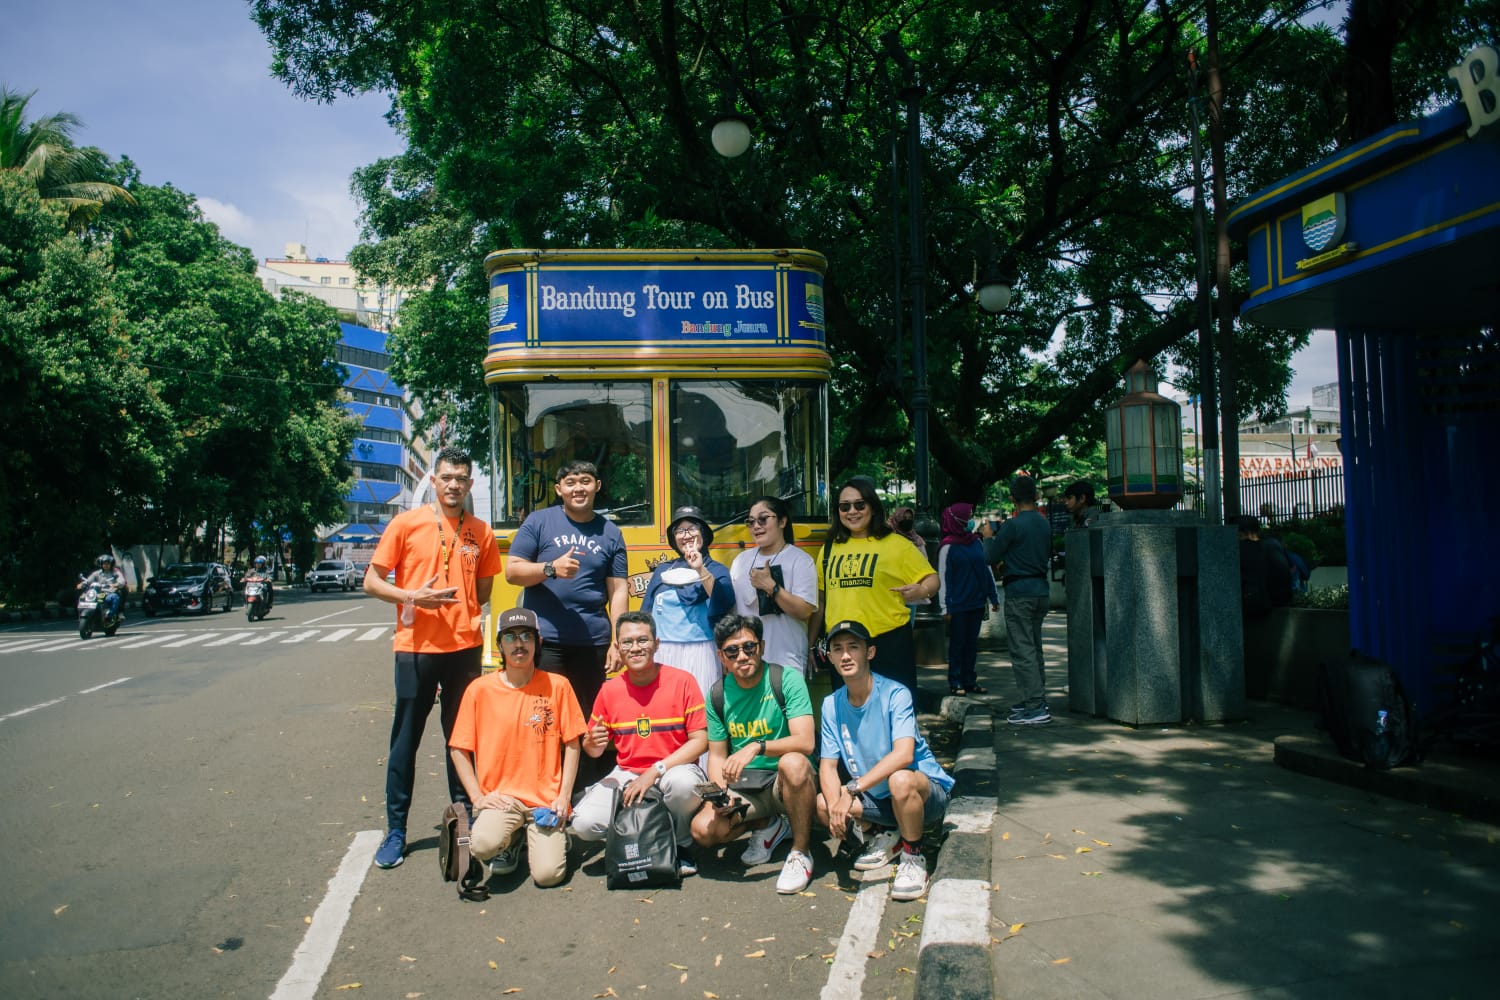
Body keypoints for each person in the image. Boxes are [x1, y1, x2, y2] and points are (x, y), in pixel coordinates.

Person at [363, 446, 502, 870]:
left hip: (463, 649)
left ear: (470, 483)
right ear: (434, 480)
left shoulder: (481, 532)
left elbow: (482, 591)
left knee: (461, 740)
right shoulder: (406, 524)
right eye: (447, 477)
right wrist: (411, 596)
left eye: (461, 478)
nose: (454, 485)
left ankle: (464, 819)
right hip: (415, 648)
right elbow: (372, 581)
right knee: (405, 739)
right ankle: (396, 830)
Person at [815, 620, 954, 902]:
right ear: (829, 657)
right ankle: (886, 832)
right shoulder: (831, 704)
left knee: (899, 779)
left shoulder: (895, 694)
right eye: (838, 649)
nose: (845, 655)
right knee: (822, 802)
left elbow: (904, 755)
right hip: (878, 798)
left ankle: (913, 857)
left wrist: (852, 789)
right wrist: (835, 808)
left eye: (853, 647)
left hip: (923, 793)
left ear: (870, 652)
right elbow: (827, 766)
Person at [448, 608, 586, 887]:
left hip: (544, 802)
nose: (519, 643)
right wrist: (477, 797)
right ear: (500, 645)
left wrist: (563, 797)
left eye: (526, 636)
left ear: (538, 642)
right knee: (482, 844)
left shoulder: (558, 686)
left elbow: (573, 743)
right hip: (502, 800)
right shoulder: (479, 690)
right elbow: (458, 749)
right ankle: (509, 840)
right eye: (510, 637)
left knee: (548, 876)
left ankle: (553, 838)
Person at [569, 611, 709, 875]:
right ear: (618, 647)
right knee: (584, 824)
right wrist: (594, 744)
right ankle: (637, 839)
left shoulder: (682, 681)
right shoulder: (609, 690)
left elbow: (701, 741)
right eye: (627, 642)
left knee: (684, 785)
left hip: (673, 769)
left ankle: (681, 844)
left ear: (656, 644)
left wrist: (655, 771)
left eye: (642, 640)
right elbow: (592, 748)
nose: (635, 648)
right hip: (627, 772)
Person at [688, 615, 818, 893]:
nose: (742, 656)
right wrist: (720, 795)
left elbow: (806, 741)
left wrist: (757, 746)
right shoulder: (718, 694)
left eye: (749, 647)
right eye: (732, 651)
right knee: (703, 830)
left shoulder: (785, 679)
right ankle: (768, 824)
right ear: (721, 657)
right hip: (748, 787)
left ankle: (801, 852)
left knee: (794, 762)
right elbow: (717, 755)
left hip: (784, 784)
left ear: (762, 646)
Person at [505, 460, 629, 721]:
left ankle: (583, 752)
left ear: (597, 486)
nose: (578, 488)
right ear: (558, 489)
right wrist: (551, 568)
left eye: (585, 481)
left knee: (588, 719)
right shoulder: (539, 521)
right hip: (545, 641)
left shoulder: (611, 533)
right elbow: (512, 572)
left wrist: (617, 641)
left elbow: (618, 590)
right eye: (570, 482)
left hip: (593, 642)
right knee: (543, 717)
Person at [810, 478, 939, 697]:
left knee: (895, 709)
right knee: (849, 711)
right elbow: (821, 602)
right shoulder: (829, 548)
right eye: (845, 507)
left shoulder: (897, 545)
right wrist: (810, 643)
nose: (852, 511)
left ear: (873, 507)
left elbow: (932, 579)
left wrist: (922, 590)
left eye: (860, 505)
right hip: (843, 646)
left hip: (889, 643)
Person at [639, 506, 734, 701]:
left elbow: (723, 603)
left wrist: (700, 569)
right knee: (666, 704)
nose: (686, 535)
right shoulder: (662, 571)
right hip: (664, 651)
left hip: (702, 650)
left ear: (703, 533)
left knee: (701, 704)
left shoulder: (717, 570)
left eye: (692, 529)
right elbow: (645, 614)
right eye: (680, 531)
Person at [728, 495, 818, 677]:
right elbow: (732, 613)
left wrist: (772, 587)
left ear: (782, 521)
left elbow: (804, 611)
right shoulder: (740, 561)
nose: (756, 526)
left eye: (763, 519)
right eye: (751, 522)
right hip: (746, 663)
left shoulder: (801, 561)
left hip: (787, 663)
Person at [988, 475, 1053, 725]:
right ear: (1036, 496)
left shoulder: (1012, 526)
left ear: (1012, 498)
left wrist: (987, 537)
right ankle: (1035, 699)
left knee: (1022, 649)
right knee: (1034, 647)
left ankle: (1035, 705)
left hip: (1020, 592)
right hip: (1041, 590)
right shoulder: (1043, 523)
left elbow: (990, 556)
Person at [937, 502, 1000, 695]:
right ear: (958, 520)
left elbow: (986, 570)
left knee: (972, 645)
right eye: (969, 516)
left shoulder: (976, 542)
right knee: (958, 645)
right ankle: (955, 681)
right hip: (957, 606)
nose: (971, 519)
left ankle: (970, 680)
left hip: (976, 602)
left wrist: (993, 597)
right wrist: (945, 608)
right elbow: (943, 578)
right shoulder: (947, 547)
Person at [1237, 515, 1293, 618]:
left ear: (1241, 532)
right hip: (1281, 601)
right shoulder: (1274, 545)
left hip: (1254, 605)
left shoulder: (1241, 549)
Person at [78, 554, 126, 620]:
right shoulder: (97, 573)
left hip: (109, 592)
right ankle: (81, 615)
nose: (106, 565)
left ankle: (111, 614)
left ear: (111, 564)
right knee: (82, 597)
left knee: (115, 597)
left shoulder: (115, 572)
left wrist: (115, 584)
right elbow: (89, 580)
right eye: (104, 563)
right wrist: (82, 584)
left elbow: (122, 581)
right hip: (97, 593)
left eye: (108, 563)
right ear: (101, 564)